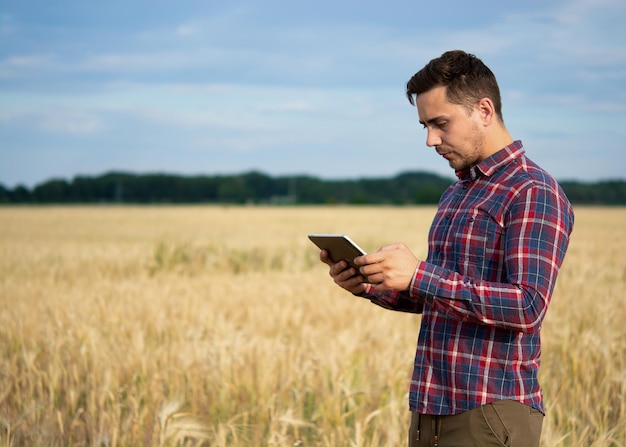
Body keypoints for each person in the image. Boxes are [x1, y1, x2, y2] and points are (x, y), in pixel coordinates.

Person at [319, 50, 574, 447]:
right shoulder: (455, 193)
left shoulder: (532, 190)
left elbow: (527, 306)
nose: (430, 140)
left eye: (441, 124)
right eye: (425, 125)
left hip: (490, 410)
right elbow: (440, 296)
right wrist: (371, 285)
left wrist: (420, 273)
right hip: (430, 405)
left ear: (484, 111)